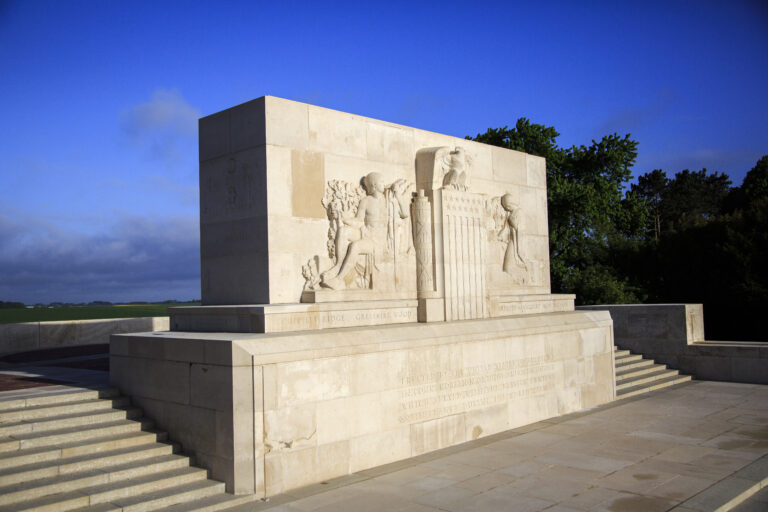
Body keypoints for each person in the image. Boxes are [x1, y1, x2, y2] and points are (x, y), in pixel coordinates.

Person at [321, 172, 409, 290]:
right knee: (343, 231)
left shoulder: (389, 200)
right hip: (365, 232)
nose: (383, 184)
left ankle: (339, 279)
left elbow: (405, 213)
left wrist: (398, 194)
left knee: (355, 246)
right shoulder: (366, 201)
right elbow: (359, 220)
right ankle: (338, 265)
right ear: (374, 185)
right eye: (381, 182)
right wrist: (343, 218)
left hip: (378, 241)